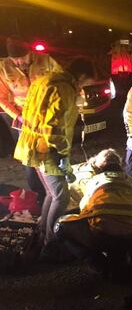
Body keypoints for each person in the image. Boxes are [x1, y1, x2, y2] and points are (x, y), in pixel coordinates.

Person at [13, 57, 94, 259]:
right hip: (46, 148)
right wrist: (60, 154)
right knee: (61, 196)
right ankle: (51, 243)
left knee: (51, 192)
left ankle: (42, 229)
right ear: (81, 76)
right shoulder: (64, 88)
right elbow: (54, 125)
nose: (82, 88)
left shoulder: (45, 79)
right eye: (84, 83)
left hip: (33, 144)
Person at [54, 149, 132, 273]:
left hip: (103, 233)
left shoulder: (96, 180)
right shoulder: (131, 181)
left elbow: (84, 208)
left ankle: (97, 263)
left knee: (60, 226)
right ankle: (123, 261)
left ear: (100, 166)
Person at [0, 36, 62, 205]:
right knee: (29, 157)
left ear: (31, 53)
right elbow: (2, 98)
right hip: (22, 117)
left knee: (50, 150)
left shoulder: (46, 60)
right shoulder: (3, 67)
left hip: (47, 116)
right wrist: (18, 116)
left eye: (23, 58)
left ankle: (54, 189)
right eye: (15, 59)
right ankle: (38, 194)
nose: (19, 62)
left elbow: (61, 80)